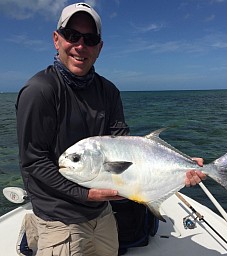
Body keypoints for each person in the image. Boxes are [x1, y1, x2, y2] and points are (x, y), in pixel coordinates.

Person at [16, 2, 206, 256]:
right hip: (60, 219)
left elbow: (122, 146)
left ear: (100, 47)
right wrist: (85, 195)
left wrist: (178, 165)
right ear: (56, 39)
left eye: (90, 39)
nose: (80, 46)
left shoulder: (108, 91)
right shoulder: (40, 91)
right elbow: (33, 162)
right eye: (72, 36)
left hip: (103, 213)